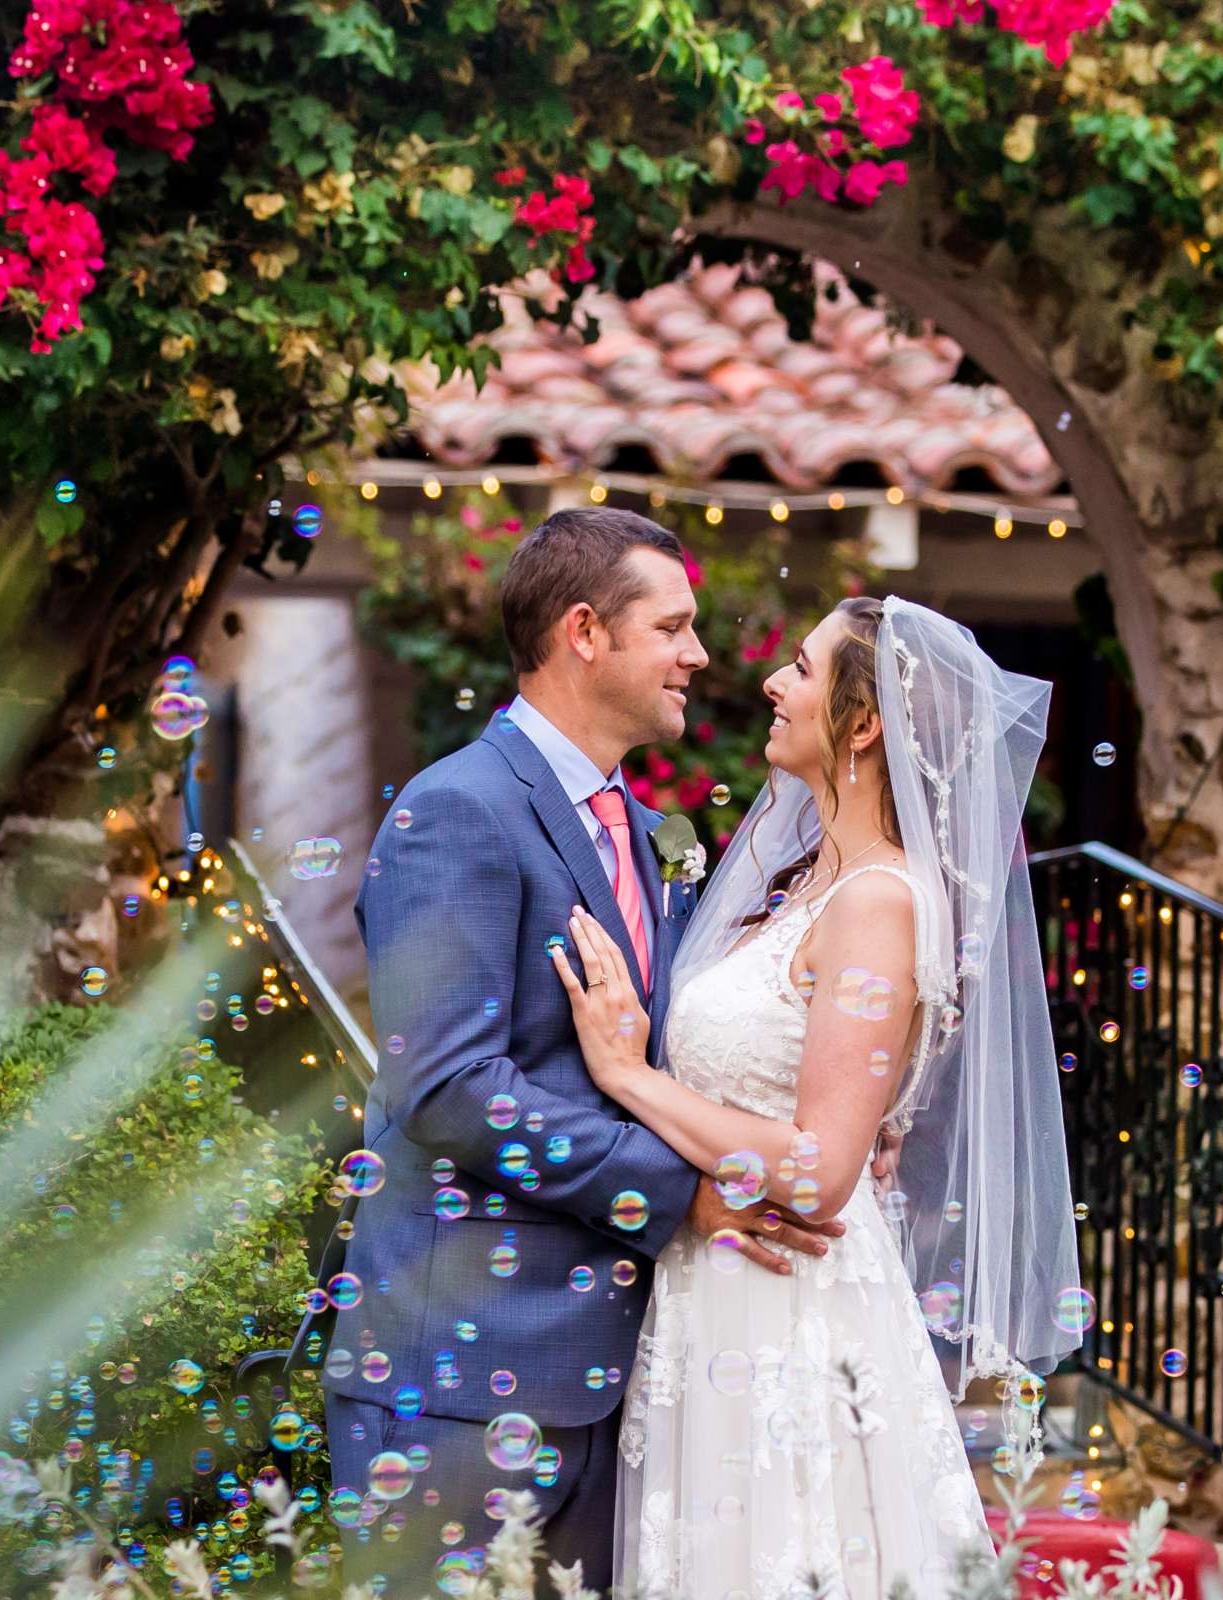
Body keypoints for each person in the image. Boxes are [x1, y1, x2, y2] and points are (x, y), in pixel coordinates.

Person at [326, 508, 871, 1599]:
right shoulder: (456, 811)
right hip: (465, 1381)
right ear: (585, 631)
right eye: (672, 626)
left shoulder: (649, 828)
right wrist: (686, 1196)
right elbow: (449, 1089)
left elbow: (674, 1054)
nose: (701, 656)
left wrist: (815, 1127)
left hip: (631, 1376)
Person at [550, 594, 1084, 1599]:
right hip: (716, 1287)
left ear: (863, 721)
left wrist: (629, 1074)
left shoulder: (877, 901)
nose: (771, 683)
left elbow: (820, 1168)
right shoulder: (799, 884)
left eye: (800, 668)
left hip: (788, 1312)